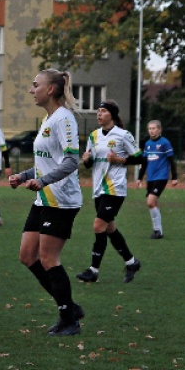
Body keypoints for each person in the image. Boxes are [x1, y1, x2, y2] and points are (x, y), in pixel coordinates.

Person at [9, 69, 83, 336]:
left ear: (50, 89)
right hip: (44, 198)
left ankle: (69, 320)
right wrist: (24, 176)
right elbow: (46, 163)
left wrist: (43, 181)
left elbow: (72, 161)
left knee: (49, 258)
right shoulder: (48, 119)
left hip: (60, 200)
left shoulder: (64, 119)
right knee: (28, 256)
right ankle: (69, 307)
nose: (31, 90)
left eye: (35, 85)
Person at [75, 100, 142, 284]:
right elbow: (90, 164)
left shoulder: (123, 135)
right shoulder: (94, 135)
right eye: (98, 111)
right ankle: (131, 262)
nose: (99, 114)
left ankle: (93, 271)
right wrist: (87, 159)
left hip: (115, 188)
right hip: (99, 189)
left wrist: (120, 160)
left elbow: (139, 158)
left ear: (111, 115)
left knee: (99, 226)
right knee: (109, 228)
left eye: (103, 111)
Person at [137, 120, 178, 239]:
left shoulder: (165, 143)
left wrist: (174, 177)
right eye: (150, 128)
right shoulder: (147, 144)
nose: (151, 131)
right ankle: (159, 232)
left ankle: (156, 230)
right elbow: (144, 163)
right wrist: (139, 178)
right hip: (150, 178)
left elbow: (172, 161)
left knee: (150, 202)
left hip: (161, 176)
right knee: (154, 204)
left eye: (154, 128)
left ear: (159, 129)